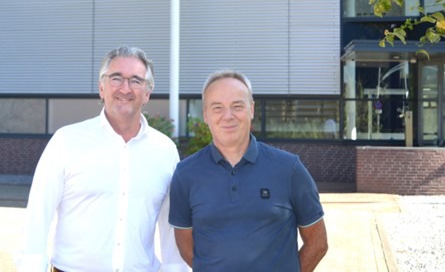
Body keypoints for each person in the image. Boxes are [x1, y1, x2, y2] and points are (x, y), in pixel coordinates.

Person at [17, 46, 190, 272]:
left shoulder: (165, 150)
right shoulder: (66, 141)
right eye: (116, 78)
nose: (125, 88)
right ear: (101, 88)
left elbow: (170, 225)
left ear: (147, 93)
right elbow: (38, 215)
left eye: (136, 80)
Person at [169, 70, 328, 272]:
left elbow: (318, 243)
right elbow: (187, 248)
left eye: (237, 106)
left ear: (251, 109)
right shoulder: (185, 174)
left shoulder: (289, 169)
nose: (228, 116)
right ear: (206, 114)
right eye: (217, 108)